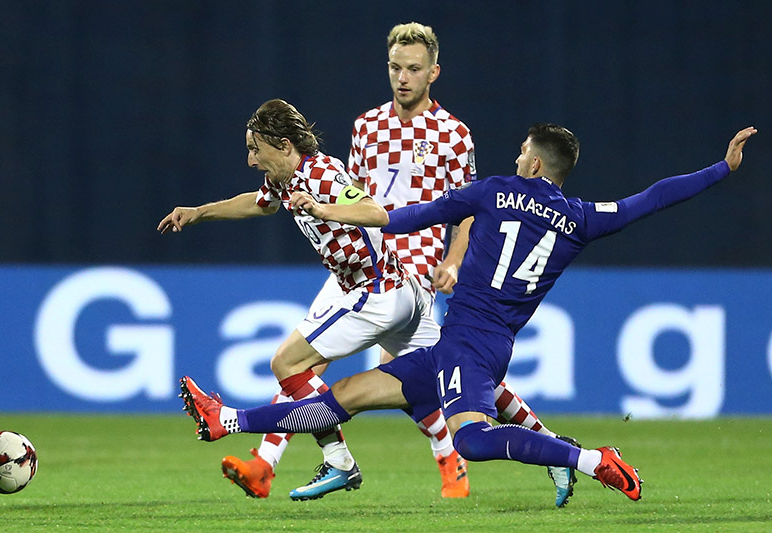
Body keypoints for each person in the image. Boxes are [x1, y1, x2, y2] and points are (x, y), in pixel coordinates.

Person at [179, 123, 757, 504]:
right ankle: (223, 420)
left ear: (533, 165)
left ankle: (591, 458)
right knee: (344, 396)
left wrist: (330, 209)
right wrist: (722, 169)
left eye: (522, 152)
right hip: (469, 344)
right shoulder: (584, 218)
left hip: (468, 348)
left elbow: (403, 218)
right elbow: (651, 199)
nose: (516, 157)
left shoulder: (491, 191)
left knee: (474, 441)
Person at [220, 22, 578, 505]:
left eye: (412, 68)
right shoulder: (366, 126)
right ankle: (273, 464)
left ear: (434, 72)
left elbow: (469, 207)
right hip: (366, 262)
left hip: (417, 269)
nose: (402, 77)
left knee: (420, 375)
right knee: (317, 364)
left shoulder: (453, 133)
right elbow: (350, 192)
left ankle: (476, 459)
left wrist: (453, 260)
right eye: (394, 67)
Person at [159, 98, 449, 501]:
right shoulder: (285, 179)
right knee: (458, 378)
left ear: (282, 145)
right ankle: (554, 452)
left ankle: (340, 462)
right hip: (396, 292)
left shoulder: (321, 174)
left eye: (254, 149)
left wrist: (323, 207)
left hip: (376, 291)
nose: (250, 160)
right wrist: (200, 212)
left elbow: (374, 211)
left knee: (287, 362)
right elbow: (259, 204)